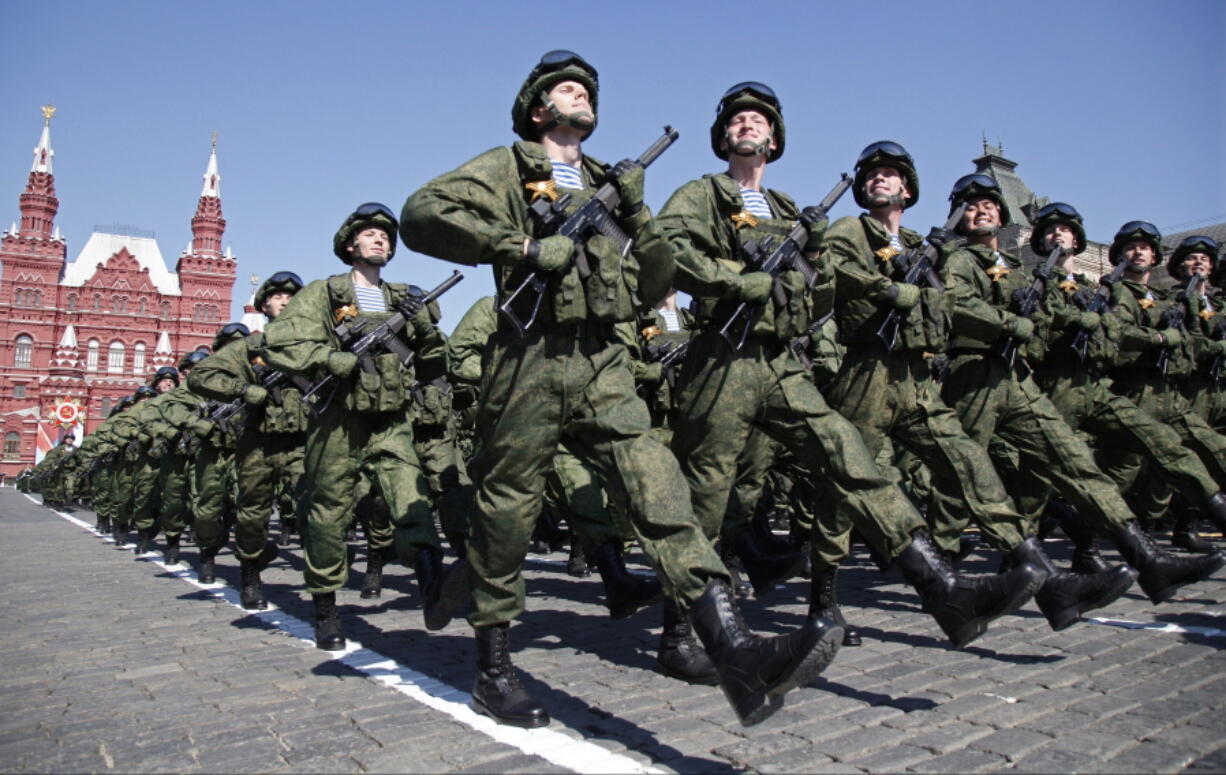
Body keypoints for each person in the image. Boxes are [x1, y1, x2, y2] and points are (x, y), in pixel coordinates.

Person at [402, 52, 840, 729]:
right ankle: (492, 668)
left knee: (659, 485)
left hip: (607, 356)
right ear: (540, 107)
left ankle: (735, 651)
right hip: (531, 353)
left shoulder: (612, 180)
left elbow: (659, 275)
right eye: (566, 88)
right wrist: (515, 246)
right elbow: (422, 214)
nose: (581, 96)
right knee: (510, 507)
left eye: (587, 89)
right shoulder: (507, 165)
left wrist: (643, 219)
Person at [661, 101, 1044, 646]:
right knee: (708, 494)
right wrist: (733, 278)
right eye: (737, 121)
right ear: (722, 138)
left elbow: (815, 301)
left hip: (776, 360)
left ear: (775, 140)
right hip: (723, 356)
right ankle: (682, 634)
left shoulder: (788, 207)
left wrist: (812, 255)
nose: (748, 125)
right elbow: (667, 250)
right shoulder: (702, 195)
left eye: (760, 121)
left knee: (849, 456)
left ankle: (944, 590)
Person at [937, 180, 1222, 610]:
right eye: (972, 206)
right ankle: (938, 572)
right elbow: (955, 303)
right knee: (965, 478)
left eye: (990, 205)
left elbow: (1047, 320)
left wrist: (1059, 318)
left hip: (1020, 377)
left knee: (1070, 458)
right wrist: (1013, 322)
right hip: (975, 373)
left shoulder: (1017, 269)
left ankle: (1147, 558)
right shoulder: (957, 260)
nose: (982, 211)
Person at [263, 203, 468, 650]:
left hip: (391, 420)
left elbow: (437, 362)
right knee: (329, 513)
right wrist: (327, 358)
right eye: (371, 234)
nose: (381, 240)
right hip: (338, 421)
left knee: (411, 496)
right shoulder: (325, 293)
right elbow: (279, 342)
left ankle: (433, 585)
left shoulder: (402, 296)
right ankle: (326, 609)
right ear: (350, 244)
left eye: (386, 236)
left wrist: (426, 330)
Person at [189, 272, 309, 609]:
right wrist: (243, 389)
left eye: (292, 296)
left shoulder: (316, 344)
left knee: (317, 509)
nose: (285, 301)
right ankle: (251, 577)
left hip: (303, 440)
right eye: (278, 297)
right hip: (258, 441)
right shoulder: (250, 348)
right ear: (265, 306)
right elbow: (201, 376)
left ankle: (321, 592)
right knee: (253, 513)